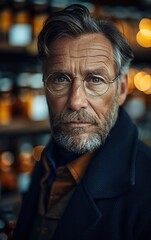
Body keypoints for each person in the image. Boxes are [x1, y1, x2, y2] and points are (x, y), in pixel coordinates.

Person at [12, 4, 151, 240]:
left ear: (122, 89)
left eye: (95, 80)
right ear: (44, 86)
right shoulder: (48, 161)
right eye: (60, 79)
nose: (76, 101)